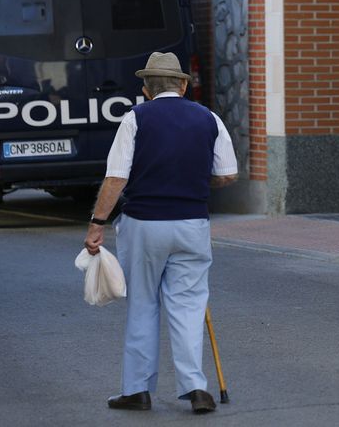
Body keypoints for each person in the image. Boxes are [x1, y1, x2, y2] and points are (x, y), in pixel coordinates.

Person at [83, 52, 238, 413]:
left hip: (144, 225)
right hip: (192, 225)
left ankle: (137, 390)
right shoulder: (208, 118)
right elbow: (228, 174)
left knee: (143, 304)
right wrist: (194, 177)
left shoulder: (135, 118)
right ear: (183, 85)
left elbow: (116, 178)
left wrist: (97, 223)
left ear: (146, 90)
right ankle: (196, 388)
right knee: (188, 305)